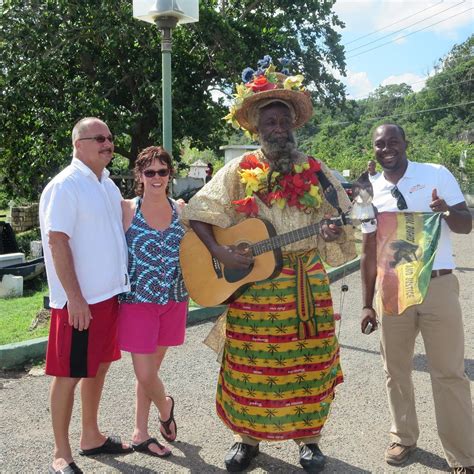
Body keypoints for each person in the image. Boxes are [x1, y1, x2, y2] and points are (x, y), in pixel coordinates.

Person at [182, 58, 356, 473]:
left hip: (304, 284)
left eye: (283, 120)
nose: (277, 127)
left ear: (293, 124)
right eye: (269, 121)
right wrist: (223, 253)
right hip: (254, 289)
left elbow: (344, 221)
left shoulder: (317, 172)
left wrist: (334, 232)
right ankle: (247, 440)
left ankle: (309, 442)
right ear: (256, 129)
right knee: (248, 365)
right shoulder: (238, 172)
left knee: (309, 363)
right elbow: (196, 214)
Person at [360, 123, 474, 473]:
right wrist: (367, 302)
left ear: (406, 143)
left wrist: (445, 209)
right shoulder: (369, 191)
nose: (387, 148)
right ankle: (403, 437)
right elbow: (367, 249)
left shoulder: (436, 174)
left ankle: (463, 455)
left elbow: (466, 224)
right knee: (395, 370)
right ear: (374, 150)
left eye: (393, 142)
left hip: (437, 286)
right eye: (380, 144)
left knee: (449, 372)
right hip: (393, 287)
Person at [39, 117, 132, 474]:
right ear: (78, 144)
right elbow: (57, 241)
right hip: (79, 303)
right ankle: (61, 453)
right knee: (69, 373)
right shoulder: (66, 185)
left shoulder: (105, 183)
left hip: (108, 296)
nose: (108, 143)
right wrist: (75, 299)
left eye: (109, 138)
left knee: (98, 366)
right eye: (99, 138)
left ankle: (91, 436)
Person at [117, 146, 188, 458]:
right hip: (137, 301)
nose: (157, 177)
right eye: (150, 172)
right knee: (145, 374)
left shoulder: (181, 210)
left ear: (169, 175)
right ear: (139, 176)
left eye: (163, 171)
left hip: (173, 298)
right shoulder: (126, 210)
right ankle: (166, 406)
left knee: (151, 372)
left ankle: (140, 433)